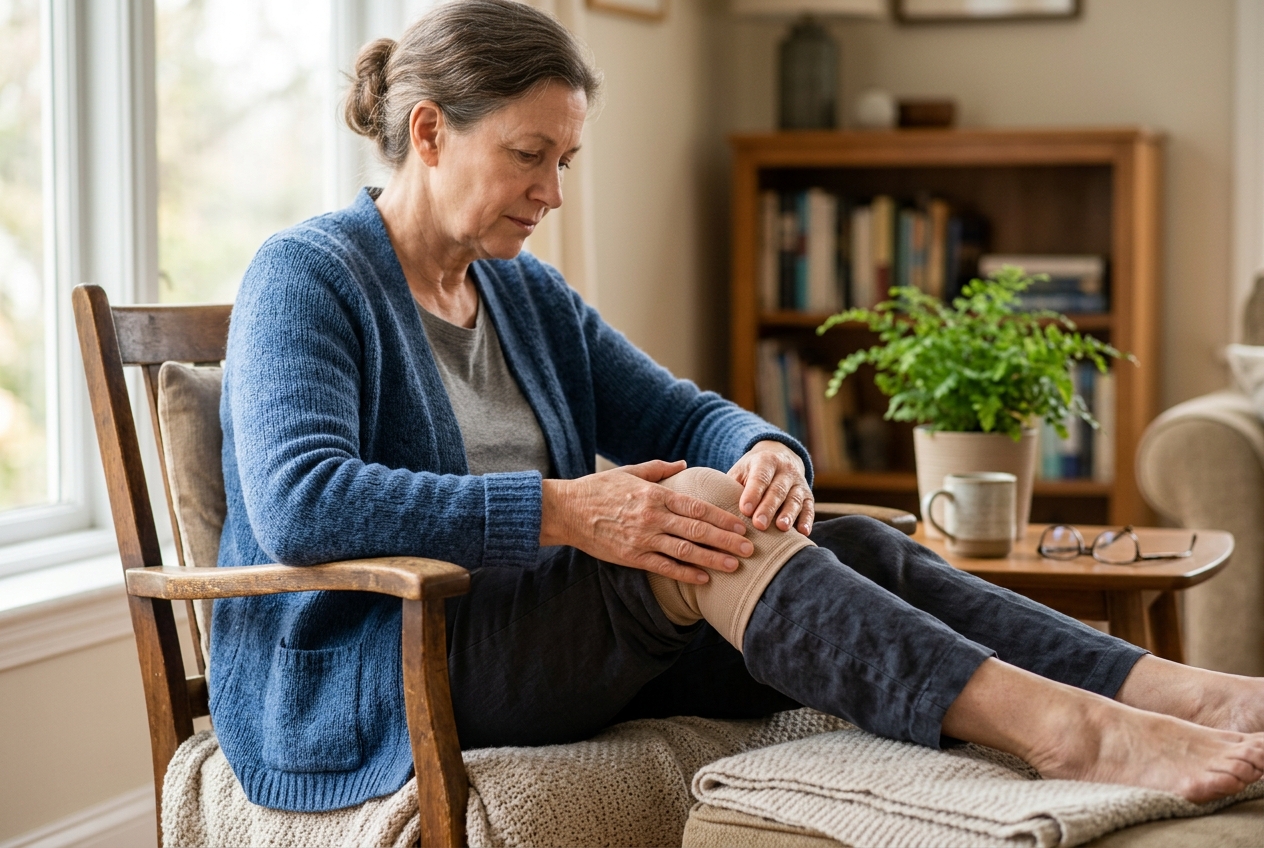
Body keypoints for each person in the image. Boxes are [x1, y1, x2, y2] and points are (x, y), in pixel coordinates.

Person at [213, 0, 1264, 815]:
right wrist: (569, 510)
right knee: (707, 523)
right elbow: (306, 503)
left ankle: (1185, 693)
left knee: (853, 538)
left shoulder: (522, 292)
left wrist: (770, 450)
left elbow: (685, 413)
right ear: (431, 132)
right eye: (527, 155)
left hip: (550, 625)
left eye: (565, 160)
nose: (554, 191)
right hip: (394, 661)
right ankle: (1067, 731)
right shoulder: (308, 275)